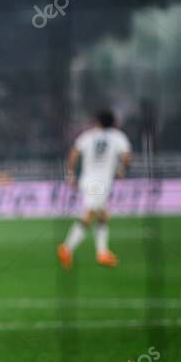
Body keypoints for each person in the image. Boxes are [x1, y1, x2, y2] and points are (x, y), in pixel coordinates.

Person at [57, 109, 133, 269]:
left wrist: (70, 175)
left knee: (103, 215)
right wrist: (121, 170)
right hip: (99, 183)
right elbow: (127, 157)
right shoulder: (118, 136)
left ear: (97, 121)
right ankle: (67, 248)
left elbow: (73, 154)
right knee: (91, 213)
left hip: (88, 180)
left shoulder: (87, 136)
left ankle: (102, 253)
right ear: (113, 123)